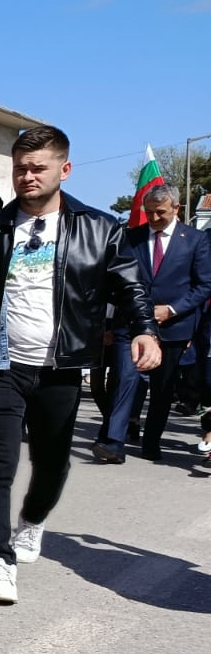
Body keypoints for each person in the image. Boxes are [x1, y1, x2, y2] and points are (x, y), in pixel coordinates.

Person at [0, 124, 161, 605]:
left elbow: (129, 286)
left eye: (38, 167)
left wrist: (145, 329)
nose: (27, 176)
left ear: (64, 169)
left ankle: (33, 521)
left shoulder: (99, 227)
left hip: (60, 367)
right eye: (20, 168)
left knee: (52, 463)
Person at [92, 185, 211, 463]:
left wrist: (171, 310)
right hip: (130, 323)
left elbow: (204, 285)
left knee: (162, 388)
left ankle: (151, 441)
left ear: (176, 209)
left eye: (161, 212)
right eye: (149, 213)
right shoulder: (129, 238)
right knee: (124, 379)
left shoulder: (195, 240)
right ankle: (113, 442)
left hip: (174, 326)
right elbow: (114, 279)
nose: (154, 218)